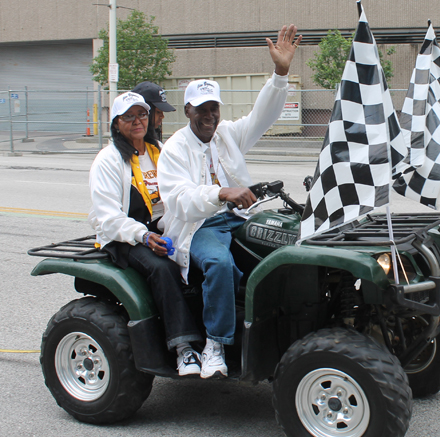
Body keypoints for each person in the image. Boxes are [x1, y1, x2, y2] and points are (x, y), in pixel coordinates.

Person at [157, 25, 302, 379]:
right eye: (202, 110)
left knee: (288, 240)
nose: (210, 116)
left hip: (237, 219)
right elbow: (179, 201)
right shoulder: (175, 148)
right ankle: (215, 344)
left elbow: (261, 117)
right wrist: (222, 193)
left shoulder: (226, 134)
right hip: (198, 227)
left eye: (214, 109)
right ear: (188, 110)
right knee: (219, 263)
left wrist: (280, 74)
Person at [88, 91, 202, 376]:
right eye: (129, 117)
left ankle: (213, 337)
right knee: (162, 268)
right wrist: (143, 236)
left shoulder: (157, 150)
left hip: (161, 228)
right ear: (116, 124)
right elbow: (108, 216)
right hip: (124, 237)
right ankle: (183, 347)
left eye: (141, 114)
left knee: (205, 255)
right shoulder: (108, 160)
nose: (137, 121)